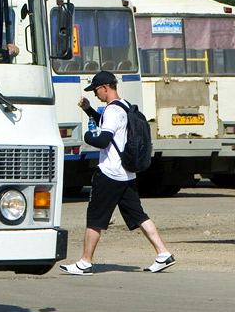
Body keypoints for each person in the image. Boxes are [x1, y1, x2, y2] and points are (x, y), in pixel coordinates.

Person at [60, 70, 176, 275]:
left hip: (110, 173)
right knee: (139, 216)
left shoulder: (111, 111)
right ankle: (163, 253)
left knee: (95, 218)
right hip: (127, 173)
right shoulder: (123, 106)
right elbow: (108, 125)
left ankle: (85, 263)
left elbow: (104, 139)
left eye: (96, 91)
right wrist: (89, 110)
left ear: (105, 88)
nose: (95, 95)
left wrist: (87, 137)